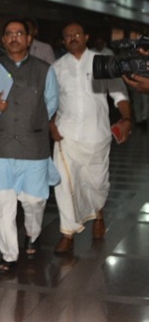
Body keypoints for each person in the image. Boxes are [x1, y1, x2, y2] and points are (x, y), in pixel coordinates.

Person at [0, 19, 59, 275]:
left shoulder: (44, 70)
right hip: (0, 148)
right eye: (8, 34)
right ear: (2, 40)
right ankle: (9, 255)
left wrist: (33, 122)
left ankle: (33, 232)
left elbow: (52, 102)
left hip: (34, 147)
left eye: (19, 33)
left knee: (34, 202)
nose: (14, 38)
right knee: (3, 205)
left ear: (29, 39)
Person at [50, 22, 132, 253]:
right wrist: (50, 124)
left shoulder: (103, 63)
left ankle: (98, 214)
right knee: (64, 184)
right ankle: (67, 233)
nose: (72, 38)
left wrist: (126, 119)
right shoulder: (56, 68)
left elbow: (119, 94)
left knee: (97, 184)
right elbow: (50, 101)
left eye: (76, 34)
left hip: (97, 135)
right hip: (66, 136)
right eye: (67, 36)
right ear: (63, 41)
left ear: (86, 36)